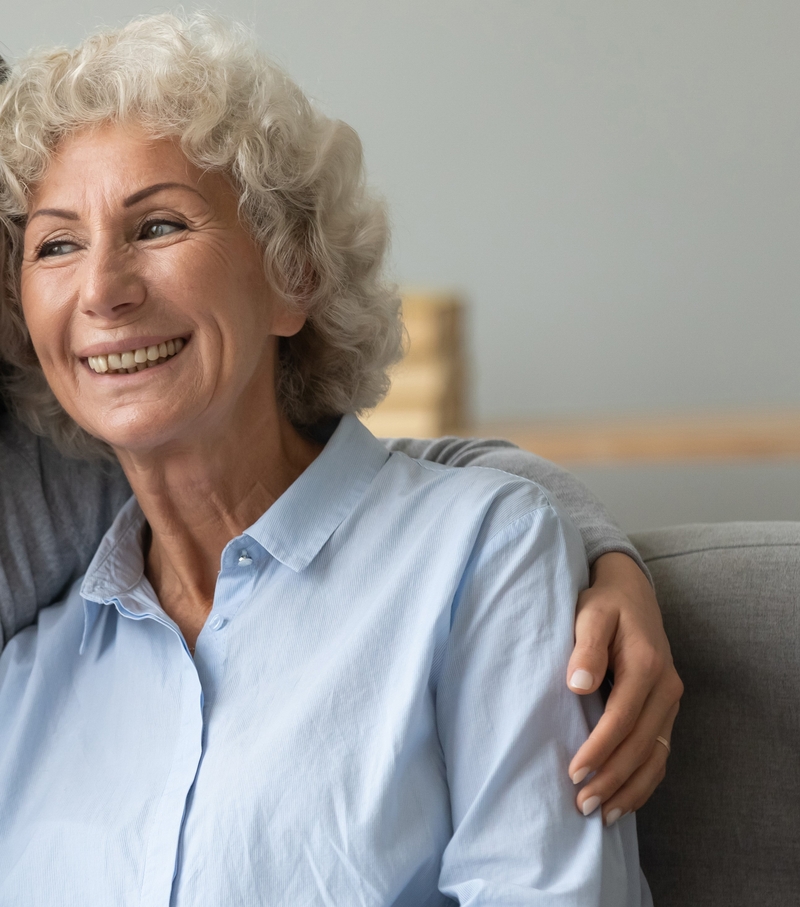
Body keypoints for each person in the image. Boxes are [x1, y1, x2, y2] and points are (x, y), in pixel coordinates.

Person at [0, 15, 666, 902]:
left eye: (158, 225)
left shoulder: (471, 556)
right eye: (56, 244)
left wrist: (600, 549)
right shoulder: (31, 675)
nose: (102, 289)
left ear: (293, 276)